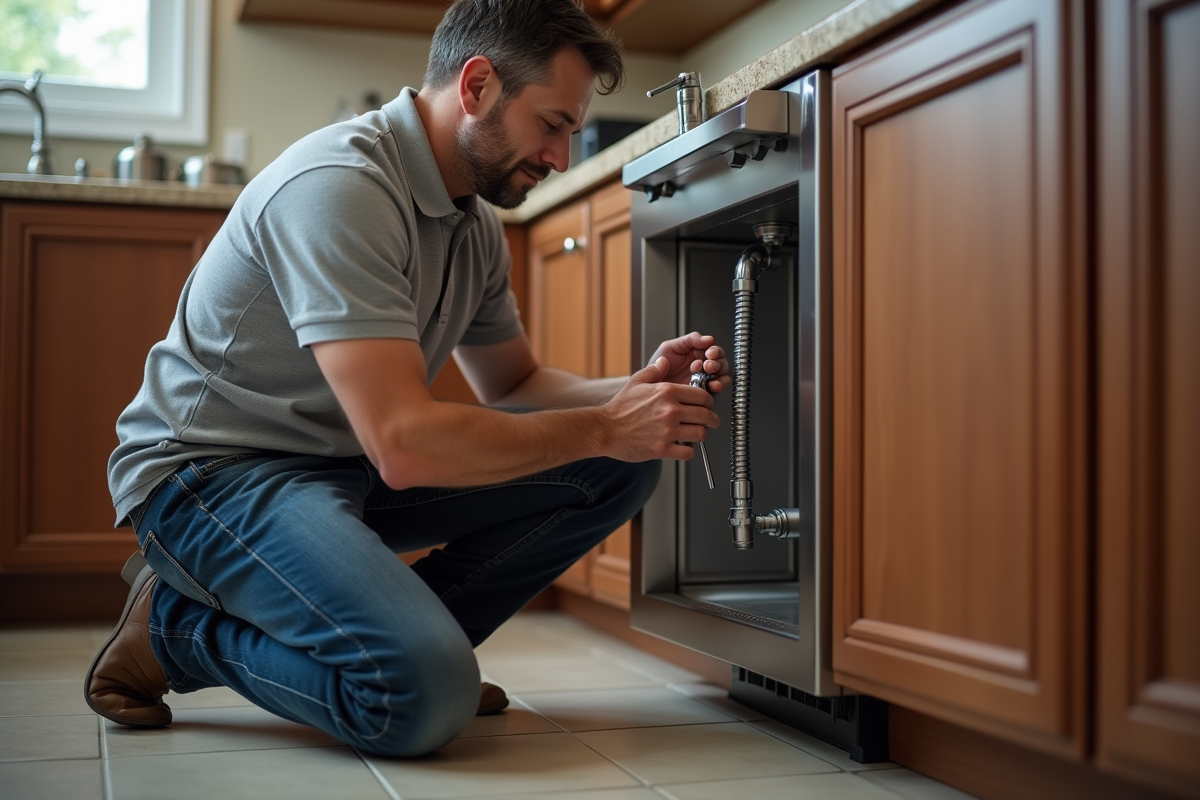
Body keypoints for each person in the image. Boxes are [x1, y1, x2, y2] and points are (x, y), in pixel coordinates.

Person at [85, 0, 728, 758]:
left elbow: (514, 383)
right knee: (419, 702)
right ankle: (178, 632)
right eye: (552, 125)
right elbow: (403, 445)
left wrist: (632, 393)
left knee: (615, 465)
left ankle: (414, 652)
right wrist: (606, 425)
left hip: (343, 466)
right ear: (478, 85)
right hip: (212, 476)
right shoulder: (341, 186)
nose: (561, 158)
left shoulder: (474, 221)